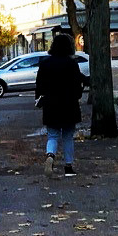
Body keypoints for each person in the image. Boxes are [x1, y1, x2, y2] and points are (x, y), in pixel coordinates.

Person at [35, 31, 87, 177]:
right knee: (68, 136)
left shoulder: (45, 63)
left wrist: (39, 99)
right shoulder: (71, 64)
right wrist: (77, 95)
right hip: (69, 105)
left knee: (52, 135)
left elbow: (39, 85)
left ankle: (50, 155)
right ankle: (68, 167)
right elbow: (77, 85)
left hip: (51, 105)